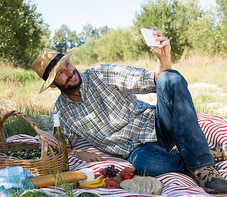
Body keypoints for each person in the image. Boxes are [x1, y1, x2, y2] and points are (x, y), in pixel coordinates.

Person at [32, 26, 227, 194]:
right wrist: (77, 152)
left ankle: (204, 168)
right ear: (52, 84)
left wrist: (163, 58)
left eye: (67, 64)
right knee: (147, 165)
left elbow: (154, 80)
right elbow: (61, 145)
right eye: (61, 73)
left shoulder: (102, 74)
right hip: (136, 150)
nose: (70, 72)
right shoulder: (62, 113)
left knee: (171, 77)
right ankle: (203, 153)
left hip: (159, 125)